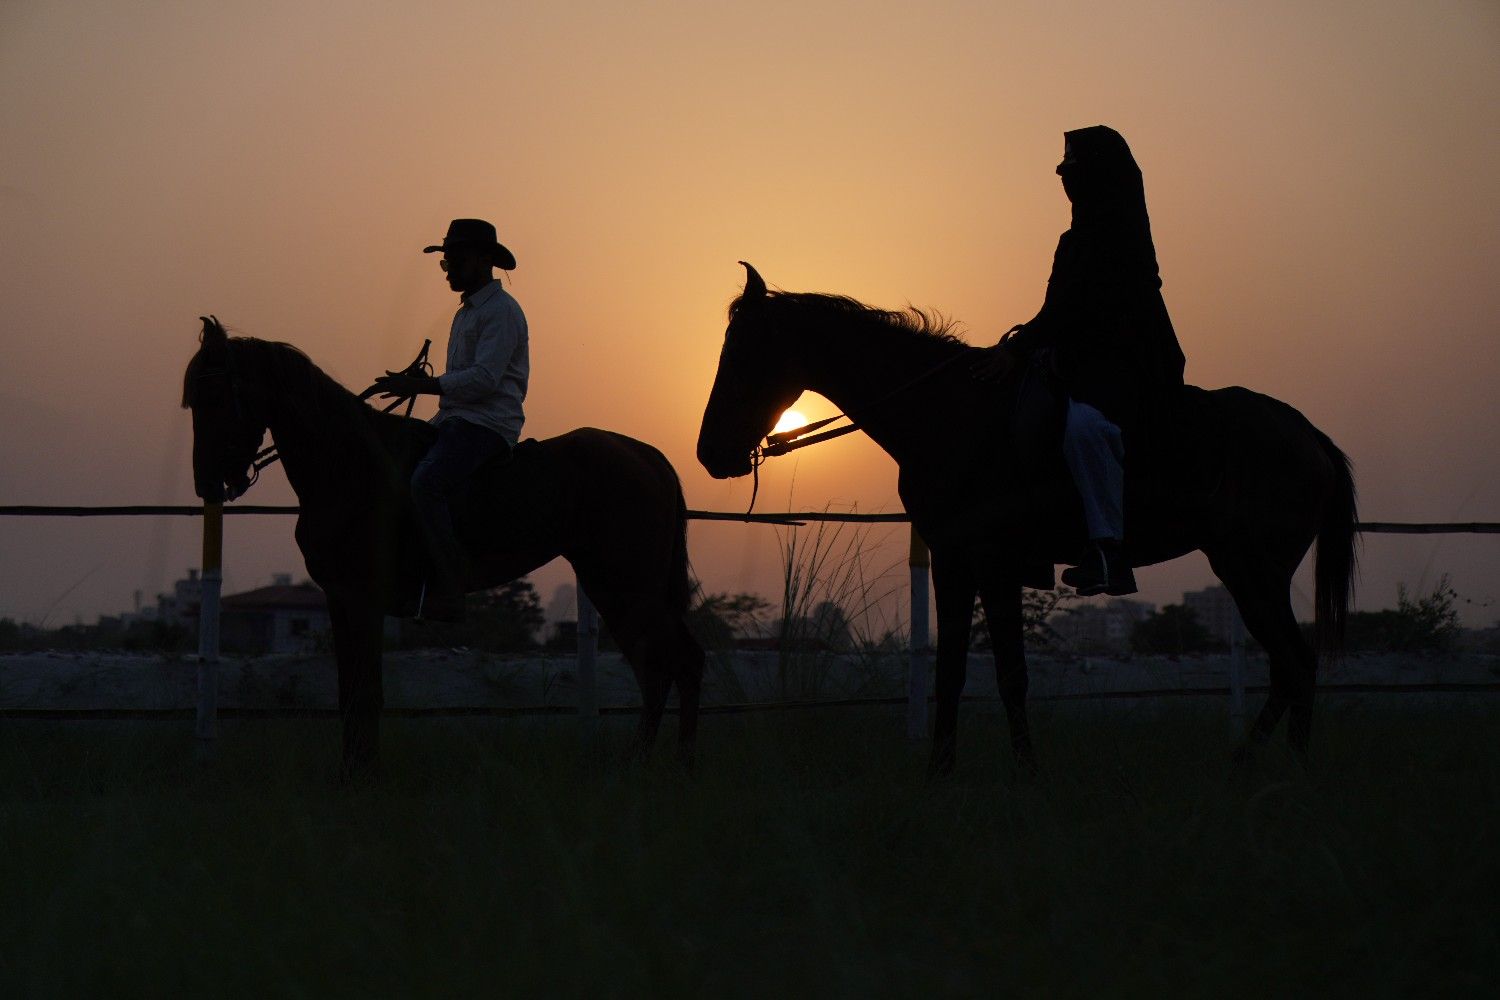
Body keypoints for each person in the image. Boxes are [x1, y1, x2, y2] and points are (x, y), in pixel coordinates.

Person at [974, 126, 1185, 596]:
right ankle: (1030, 543)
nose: (1064, 179)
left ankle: (1110, 551)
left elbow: (1073, 310)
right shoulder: (1074, 239)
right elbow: (1057, 311)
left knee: (1086, 428)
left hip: (1128, 364)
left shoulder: (1119, 237)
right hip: (1074, 360)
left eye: (1072, 170)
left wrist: (1021, 347)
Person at [375, 218, 529, 622]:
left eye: (455, 261)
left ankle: (450, 584)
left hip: (488, 425)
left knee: (427, 483)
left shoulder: (501, 312)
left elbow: (483, 380)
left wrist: (420, 387)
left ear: (482, 260)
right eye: (446, 263)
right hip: (455, 420)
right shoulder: (466, 314)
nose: (449, 270)